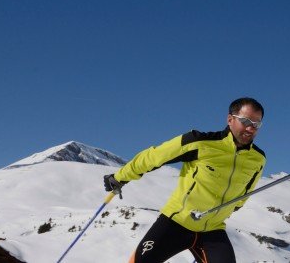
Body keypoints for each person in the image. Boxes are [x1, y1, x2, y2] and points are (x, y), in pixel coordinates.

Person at [102, 97, 267, 263]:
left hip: (212, 229)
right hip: (175, 223)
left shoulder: (258, 159)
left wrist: (232, 207)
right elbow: (154, 157)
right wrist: (119, 177)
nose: (250, 128)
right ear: (230, 119)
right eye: (245, 121)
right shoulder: (199, 142)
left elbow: (247, 191)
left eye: (256, 124)